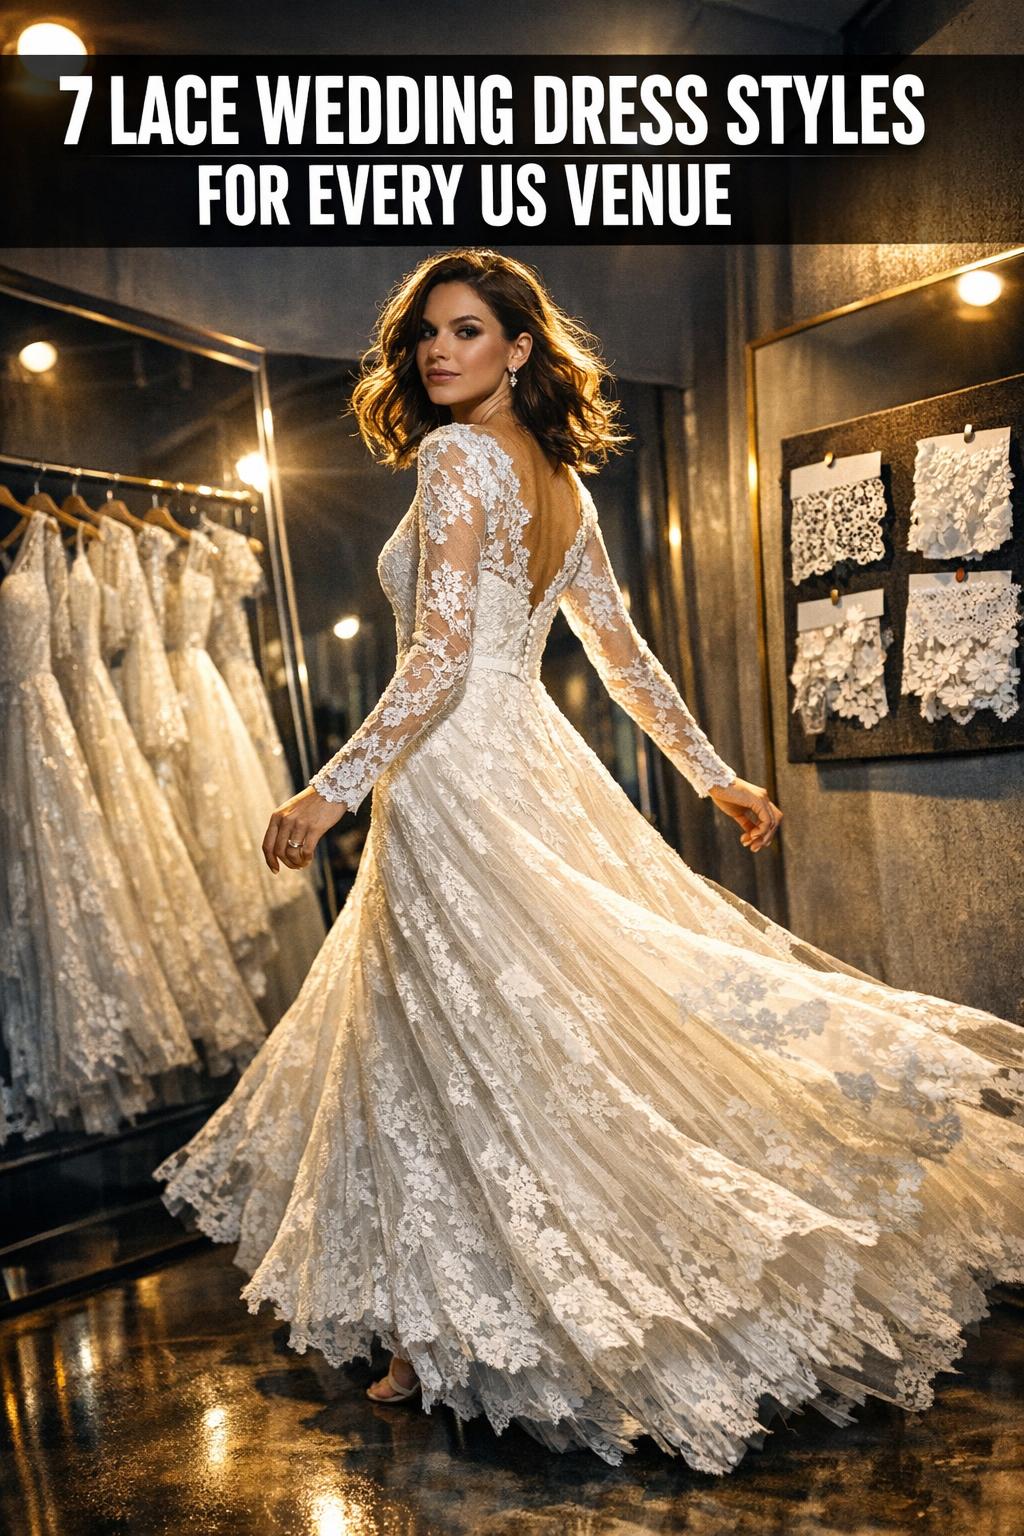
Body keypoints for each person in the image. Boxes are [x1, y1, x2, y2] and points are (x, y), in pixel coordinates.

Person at [156, 249, 1024, 1475]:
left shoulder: (456, 459)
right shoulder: (563, 479)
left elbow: (442, 658)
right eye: (423, 336)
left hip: (460, 777)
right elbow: (622, 659)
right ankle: (433, 1325)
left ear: (520, 348)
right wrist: (713, 774)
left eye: (465, 331)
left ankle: (476, 1325)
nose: (436, 353)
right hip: (530, 766)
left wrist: (329, 790)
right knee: (469, 1037)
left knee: (464, 1044)